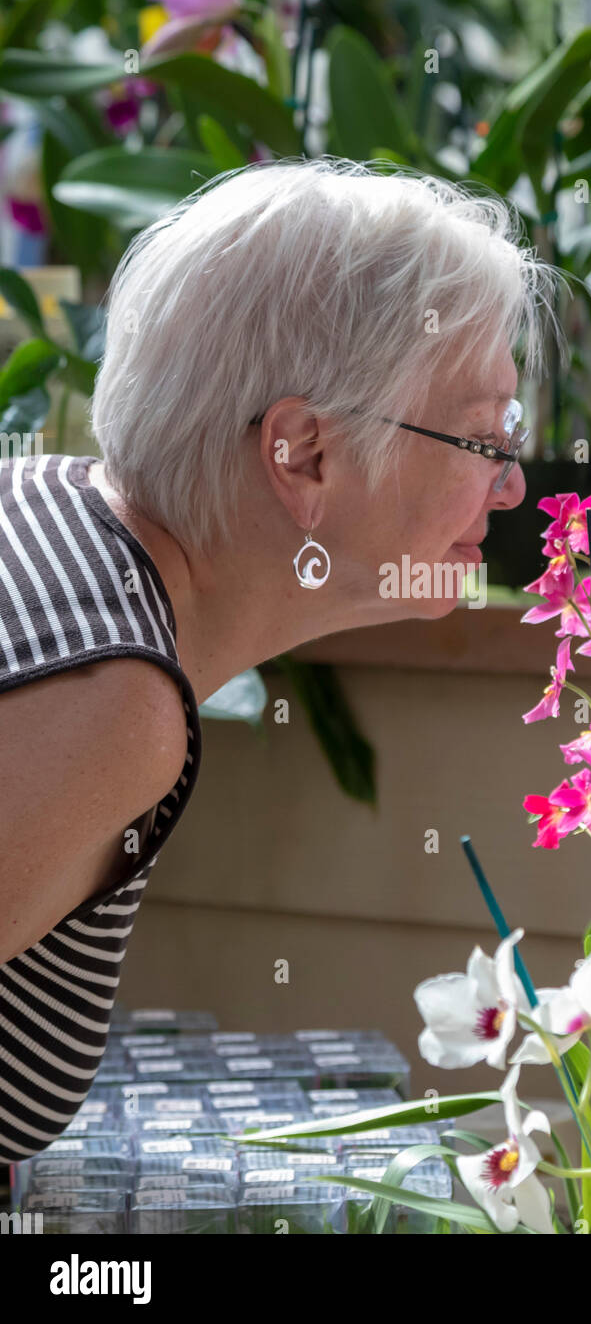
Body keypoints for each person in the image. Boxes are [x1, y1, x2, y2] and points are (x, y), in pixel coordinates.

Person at [0, 156, 561, 1162]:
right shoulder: (111, 697)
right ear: (301, 453)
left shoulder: (50, 514)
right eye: (479, 438)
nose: (511, 486)